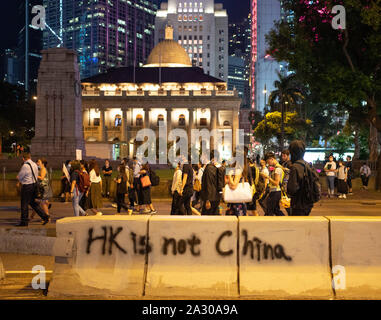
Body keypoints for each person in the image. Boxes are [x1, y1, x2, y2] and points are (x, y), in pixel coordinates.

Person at [16, 152, 50, 226]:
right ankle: (45, 217)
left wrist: (19, 180)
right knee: (33, 203)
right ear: (30, 157)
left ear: (23, 158)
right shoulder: (34, 164)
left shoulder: (25, 165)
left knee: (24, 204)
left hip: (27, 186)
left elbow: (20, 176)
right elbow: (36, 174)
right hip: (34, 186)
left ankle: (24, 221)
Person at [287, 140, 315, 216]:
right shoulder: (308, 165)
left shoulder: (295, 167)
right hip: (308, 202)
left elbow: (292, 189)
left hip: (298, 204)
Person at [261, 152, 285, 216]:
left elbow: (276, 183)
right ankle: (285, 221)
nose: (268, 164)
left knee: (269, 211)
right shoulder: (278, 167)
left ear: (271, 159)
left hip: (275, 192)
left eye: (268, 161)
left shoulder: (277, 169)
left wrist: (267, 177)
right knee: (276, 210)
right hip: (275, 192)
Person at [201, 151, 222, 215]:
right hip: (217, 197)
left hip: (210, 198)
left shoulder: (209, 168)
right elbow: (221, 184)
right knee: (215, 217)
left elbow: (208, 184)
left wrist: (207, 200)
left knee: (206, 219)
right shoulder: (220, 168)